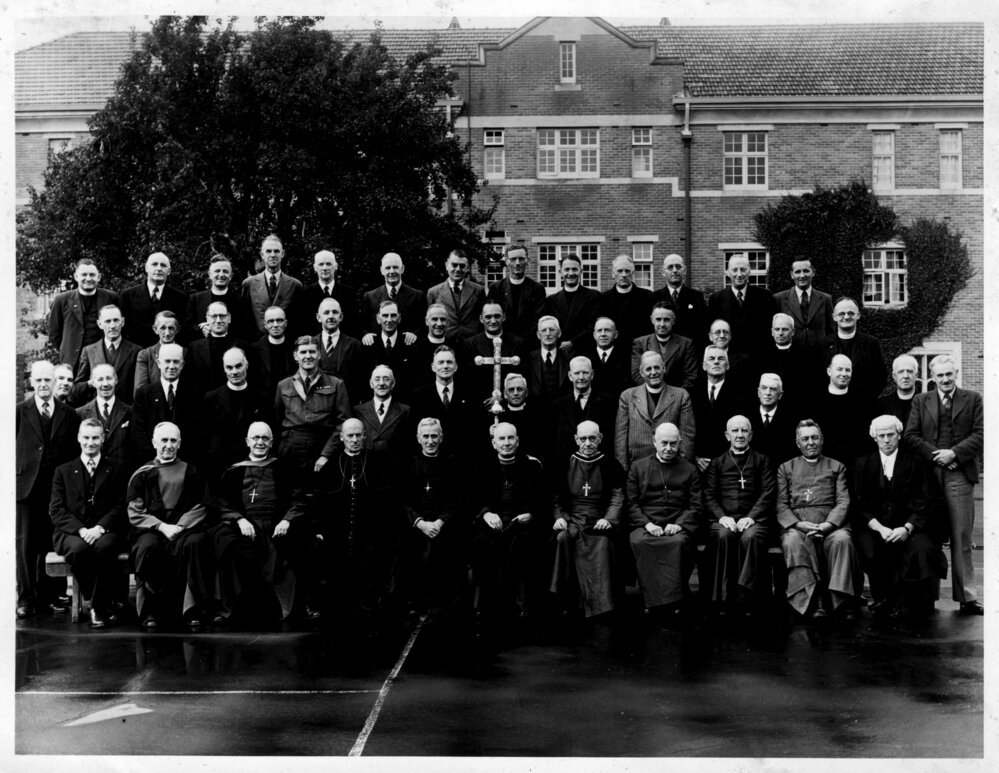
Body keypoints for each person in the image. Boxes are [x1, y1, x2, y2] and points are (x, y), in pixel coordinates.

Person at [904, 354, 984, 615]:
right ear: (932, 377)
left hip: (959, 475)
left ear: (956, 373)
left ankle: (967, 597)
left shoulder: (973, 399)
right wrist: (937, 454)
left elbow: (982, 434)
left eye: (949, 374)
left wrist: (955, 453)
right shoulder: (921, 400)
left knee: (961, 536)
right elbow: (911, 435)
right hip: (928, 476)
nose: (945, 379)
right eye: (939, 375)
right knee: (929, 535)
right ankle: (929, 596)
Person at [212, 422, 313, 626]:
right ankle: (235, 611)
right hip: (246, 526)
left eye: (265, 438)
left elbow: (298, 500)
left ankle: (289, 609)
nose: (260, 442)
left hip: (277, 524)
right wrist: (239, 519)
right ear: (247, 442)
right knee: (227, 547)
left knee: (295, 549)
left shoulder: (283, 468)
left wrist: (286, 520)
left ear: (272, 442)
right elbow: (222, 504)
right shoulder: (233, 472)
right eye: (256, 438)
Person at [855, 415, 946, 618]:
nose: (886, 440)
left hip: (908, 526)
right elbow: (859, 504)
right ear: (874, 437)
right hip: (876, 526)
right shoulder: (863, 464)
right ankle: (883, 598)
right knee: (869, 549)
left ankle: (913, 601)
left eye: (890, 435)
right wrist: (880, 528)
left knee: (922, 549)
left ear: (899, 435)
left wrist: (907, 528)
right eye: (881, 436)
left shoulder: (916, 462)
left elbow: (924, 499)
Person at [127, 421, 215, 631]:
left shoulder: (192, 472)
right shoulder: (141, 474)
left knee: (196, 543)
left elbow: (203, 504)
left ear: (180, 443)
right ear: (154, 442)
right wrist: (161, 526)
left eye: (173, 440)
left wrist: (181, 525)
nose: (168, 445)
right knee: (147, 548)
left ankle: (192, 610)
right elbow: (135, 511)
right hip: (153, 530)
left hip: (184, 529)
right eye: (163, 440)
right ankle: (150, 612)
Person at [308, 418, 395, 624]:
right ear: (342, 438)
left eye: (358, 435)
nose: (355, 440)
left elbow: (386, 500)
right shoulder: (330, 466)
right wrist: (319, 528)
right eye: (350, 436)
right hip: (337, 531)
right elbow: (319, 502)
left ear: (365, 436)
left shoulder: (378, 463)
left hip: (369, 532)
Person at [775, 420, 862, 620]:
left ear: (822, 440)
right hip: (798, 524)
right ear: (798, 443)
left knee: (842, 540)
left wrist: (827, 525)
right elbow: (780, 503)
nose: (811, 442)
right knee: (793, 541)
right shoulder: (786, 468)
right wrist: (799, 525)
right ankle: (811, 601)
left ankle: (839, 601)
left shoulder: (836, 466)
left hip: (830, 523)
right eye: (805, 439)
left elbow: (843, 501)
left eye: (815, 437)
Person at [49, 419, 129, 628]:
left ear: (102, 439)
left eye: (95, 438)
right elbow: (56, 510)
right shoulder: (63, 471)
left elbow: (120, 506)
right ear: (78, 438)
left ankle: (95, 606)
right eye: (86, 437)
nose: (90, 442)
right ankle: (100, 604)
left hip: (105, 530)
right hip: (72, 532)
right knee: (79, 550)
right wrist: (82, 530)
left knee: (106, 547)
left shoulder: (116, 468)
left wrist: (100, 528)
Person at [16, 361, 81, 618]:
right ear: (31, 382)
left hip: (55, 490)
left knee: (51, 542)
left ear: (55, 382)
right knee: (26, 546)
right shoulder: (19, 412)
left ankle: (49, 596)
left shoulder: (68, 414)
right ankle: (25, 598)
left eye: (48, 380)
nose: (43, 385)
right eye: (39, 380)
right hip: (27, 487)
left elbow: (73, 453)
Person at [469, 422, 549, 619]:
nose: (506, 443)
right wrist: (486, 513)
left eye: (510, 438)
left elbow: (542, 497)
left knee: (524, 544)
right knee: (480, 543)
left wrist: (531, 513)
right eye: (502, 439)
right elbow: (472, 498)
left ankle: (522, 604)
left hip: (521, 523)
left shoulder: (532, 465)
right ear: (494, 443)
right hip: (491, 523)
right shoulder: (481, 466)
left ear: (518, 441)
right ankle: (485, 605)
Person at [550, 420, 625, 618]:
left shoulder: (610, 463)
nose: (588, 443)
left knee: (602, 543)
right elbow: (556, 498)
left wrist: (608, 519)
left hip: (597, 520)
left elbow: (618, 496)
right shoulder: (565, 462)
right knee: (562, 539)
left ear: (600, 439)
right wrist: (559, 518)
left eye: (592, 438)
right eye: (583, 438)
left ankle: (601, 605)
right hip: (572, 518)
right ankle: (565, 602)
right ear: (576, 439)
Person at [626, 423, 703, 617]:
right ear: (654, 442)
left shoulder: (690, 469)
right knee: (640, 541)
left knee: (678, 543)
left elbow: (696, 505)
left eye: (673, 444)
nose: (669, 448)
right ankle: (652, 601)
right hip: (646, 524)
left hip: (677, 524)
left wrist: (679, 524)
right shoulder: (638, 467)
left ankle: (674, 601)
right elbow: (631, 503)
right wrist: (648, 524)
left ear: (680, 443)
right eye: (664, 443)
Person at [703, 415, 775, 615]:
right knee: (723, 536)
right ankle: (723, 599)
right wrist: (722, 517)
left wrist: (751, 517)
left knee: (751, 537)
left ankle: (747, 596)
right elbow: (708, 495)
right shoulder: (717, 463)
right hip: (723, 519)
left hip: (753, 520)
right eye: (735, 431)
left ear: (751, 435)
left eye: (744, 431)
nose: (740, 435)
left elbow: (768, 492)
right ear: (727, 435)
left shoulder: (762, 461)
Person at [399, 417, 468, 616]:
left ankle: (440, 605)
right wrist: (420, 523)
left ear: (441, 437)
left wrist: (439, 521)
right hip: (416, 525)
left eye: (434, 436)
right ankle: (414, 603)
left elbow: (458, 499)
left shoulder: (452, 464)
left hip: (444, 525)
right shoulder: (408, 465)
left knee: (439, 554)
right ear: (418, 438)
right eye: (426, 437)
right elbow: (403, 499)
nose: (430, 441)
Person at [274, 336, 352, 485]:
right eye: (303, 352)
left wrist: (326, 455)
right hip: (291, 451)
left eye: (312, 351)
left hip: (322, 447)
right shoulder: (283, 385)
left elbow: (343, 423)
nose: (308, 356)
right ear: (296, 356)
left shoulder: (335, 384)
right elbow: (277, 421)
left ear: (319, 354)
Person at [614, 350, 695, 470]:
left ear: (664, 368)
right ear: (641, 373)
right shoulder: (628, 396)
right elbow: (621, 437)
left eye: (657, 367)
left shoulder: (681, 396)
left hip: (671, 465)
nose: (653, 372)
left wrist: (682, 468)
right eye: (648, 369)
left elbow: (687, 436)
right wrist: (623, 469)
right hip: (637, 465)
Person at [201, 348, 273, 483]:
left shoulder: (260, 397)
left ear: (246, 365)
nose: (234, 372)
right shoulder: (211, 398)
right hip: (219, 465)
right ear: (224, 369)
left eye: (238, 366)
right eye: (229, 367)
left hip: (251, 465)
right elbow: (205, 434)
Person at [131, 343, 201, 463]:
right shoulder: (144, 394)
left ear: (182, 365)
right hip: (153, 464)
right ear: (159, 363)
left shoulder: (194, 393)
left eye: (176, 362)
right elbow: (138, 434)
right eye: (167, 361)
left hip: (184, 464)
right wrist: (157, 461)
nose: (171, 366)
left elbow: (197, 432)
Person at [47, 259, 119, 370]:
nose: (88, 278)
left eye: (92, 275)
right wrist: (68, 350)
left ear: (98, 277)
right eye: (84, 274)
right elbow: (54, 333)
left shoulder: (112, 298)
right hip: (73, 362)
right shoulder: (61, 300)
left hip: (104, 360)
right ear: (76, 276)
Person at [706, 253, 776, 360]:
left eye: (743, 269)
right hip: (729, 360)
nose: (739, 274)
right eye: (735, 270)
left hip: (758, 358)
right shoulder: (716, 299)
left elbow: (770, 331)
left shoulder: (764, 297)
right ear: (728, 272)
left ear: (749, 271)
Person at [549, 355, 616, 464]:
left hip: (600, 465)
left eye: (585, 372)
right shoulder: (557, 405)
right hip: (567, 466)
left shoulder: (608, 403)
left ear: (592, 375)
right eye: (576, 373)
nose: (581, 377)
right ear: (570, 376)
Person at [409, 345, 475, 455]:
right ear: (433, 367)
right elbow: (413, 430)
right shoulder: (420, 396)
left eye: (449, 362)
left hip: (462, 459)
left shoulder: (469, 394)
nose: (445, 366)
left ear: (456, 367)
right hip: (432, 460)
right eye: (441, 362)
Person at [757, 312, 827, 412]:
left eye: (785, 329)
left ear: (793, 332)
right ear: (772, 332)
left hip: (797, 408)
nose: (780, 333)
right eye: (777, 329)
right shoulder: (761, 357)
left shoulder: (806, 356)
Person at [459, 300, 526, 403]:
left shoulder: (518, 343)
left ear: (504, 317)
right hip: (480, 403)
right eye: (488, 317)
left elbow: (522, 376)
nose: (493, 321)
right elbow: (467, 378)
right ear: (481, 318)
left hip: (510, 403)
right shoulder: (470, 344)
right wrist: (487, 400)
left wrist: (503, 398)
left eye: (497, 316)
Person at [692, 346, 747, 470]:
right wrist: (695, 457)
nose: (716, 361)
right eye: (711, 359)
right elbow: (688, 428)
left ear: (727, 365)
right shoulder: (693, 392)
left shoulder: (739, 393)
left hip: (730, 463)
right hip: (699, 463)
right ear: (704, 366)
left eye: (720, 359)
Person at [824, 297, 888, 403]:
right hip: (828, 405)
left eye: (851, 313)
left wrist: (865, 400)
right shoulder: (823, 344)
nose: (846, 317)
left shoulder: (871, 344)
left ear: (858, 315)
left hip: (861, 407)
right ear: (834, 317)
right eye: (841, 314)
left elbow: (880, 377)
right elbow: (816, 377)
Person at [119, 252, 189, 349]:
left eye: (163, 265)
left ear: (169, 271)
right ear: (146, 268)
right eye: (154, 264)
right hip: (136, 353)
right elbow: (123, 329)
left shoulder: (181, 298)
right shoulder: (128, 296)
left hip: (169, 354)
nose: (159, 268)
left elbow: (184, 331)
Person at [815, 353, 873, 467]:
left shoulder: (862, 401)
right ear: (829, 371)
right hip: (823, 464)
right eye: (839, 369)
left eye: (848, 370)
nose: (844, 374)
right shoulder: (816, 400)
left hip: (855, 463)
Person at [241, 235, 304, 337]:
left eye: (276, 251)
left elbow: (299, 320)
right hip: (258, 345)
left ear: (283, 254)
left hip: (286, 345)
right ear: (262, 254)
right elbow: (244, 319)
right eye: (268, 251)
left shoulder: (295, 285)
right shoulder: (249, 284)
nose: (273, 255)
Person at [75, 304, 142, 400]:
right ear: (99, 324)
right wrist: (91, 383)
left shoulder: (136, 351)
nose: (112, 326)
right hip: (98, 410)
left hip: (126, 410)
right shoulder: (89, 351)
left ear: (123, 322)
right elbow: (76, 388)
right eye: (107, 321)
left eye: (116, 320)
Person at [487, 244, 547, 346]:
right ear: (507, 261)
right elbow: (491, 317)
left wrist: (521, 341)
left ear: (527, 260)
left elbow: (538, 319)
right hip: (502, 343)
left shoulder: (538, 289)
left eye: (521, 259)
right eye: (513, 259)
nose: (518, 263)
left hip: (529, 344)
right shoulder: (495, 288)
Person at [76, 364, 134, 466]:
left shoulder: (130, 412)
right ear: (93, 383)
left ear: (116, 380)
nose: (105, 384)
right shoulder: (80, 413)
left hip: (121, 474)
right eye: (100, 379)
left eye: (109, 378)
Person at [629, 303, 697, 390]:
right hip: (648, 395)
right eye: (658, 319)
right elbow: (637, 373)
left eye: (667, 320)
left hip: (677, 397)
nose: (662, 324)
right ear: (652, 320)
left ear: (673, 321)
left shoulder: (686, 344)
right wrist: (653, 391)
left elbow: (691, 376)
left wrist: (676, 396)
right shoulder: (640, 343)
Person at [185, 301, 251, 392]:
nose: (218, 320)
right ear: (207, 319)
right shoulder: (194, 348)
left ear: (229, 318)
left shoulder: (244, 347)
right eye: (214, 316)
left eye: (222, 316)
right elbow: (187, 382)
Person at [542, 252, 601, 353]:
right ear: (560, 272)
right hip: (559, 352)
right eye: (567, 269)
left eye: (574, 269)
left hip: (586, 351)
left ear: (581, 271)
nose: (571, 273)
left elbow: (593, 327)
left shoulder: (594, 296)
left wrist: (573, 342)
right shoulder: (551, 300)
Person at [360, 300, 418, 401]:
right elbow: (363, 378)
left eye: (393, 315)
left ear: (399, 319)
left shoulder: (409, 343)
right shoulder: (369, 344)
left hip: (404, 402)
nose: (389, 320)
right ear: (378, 319)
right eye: (385, 315)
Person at [352, 365, 413, 461]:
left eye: (386, 379)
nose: (381, 383)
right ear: (371, 384)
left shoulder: (405, 411)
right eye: (377, 379)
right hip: (366, 466)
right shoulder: (358, 411)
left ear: (393, 384)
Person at [772, 258, 835, 350]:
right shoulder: (779, 299)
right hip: (789, 356)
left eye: (806, 271)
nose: (802, 275)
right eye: (797, 272)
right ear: (791, 275)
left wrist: (826, 347)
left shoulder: (825, 299)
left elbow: (831, 330)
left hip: (819, 356)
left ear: (813, 272)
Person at [649, 253, 708, 349]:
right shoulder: (653, 298)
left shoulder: (696, 297)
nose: (675, 270)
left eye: (678, 267)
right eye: (670, 267)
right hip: (662, 351)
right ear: (663, 272)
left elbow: (703, 329)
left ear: (684, 271)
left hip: (689, 351)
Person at [361, 252, 427, 336]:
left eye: (395, 267)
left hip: (408, 346)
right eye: (388, 268)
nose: (392, 271)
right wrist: (367, 335)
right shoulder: (370, 297)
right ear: (382, 270)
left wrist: (414, 335)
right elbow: (363, 327)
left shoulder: (417, 296)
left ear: (402, 269)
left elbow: (423, 326)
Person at [426, 249, 486, 339]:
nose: (458, 269)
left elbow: (483, 318)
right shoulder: (433, 292)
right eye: (454, 265)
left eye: (462, 266)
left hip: (471, 343)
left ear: (467, 268)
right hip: (445, 342)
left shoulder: (478, 290)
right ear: (447, 266)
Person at [301, 248, 361, 338]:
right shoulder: (305, 295)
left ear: (336, 266)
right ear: (315, 268)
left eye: (328, 264)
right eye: (321, 264)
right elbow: (304, 326)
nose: (325, 268)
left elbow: (354, 325)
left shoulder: (349, 293)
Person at [183, 255, 243, 343]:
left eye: (225, 271)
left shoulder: (240, 301)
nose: (221, 275)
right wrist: (201, 328)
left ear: (231, 276)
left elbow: (245, 329)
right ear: (210, 275)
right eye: (217, 271)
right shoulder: (195, 299)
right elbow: (187, 326)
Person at [314, 296, 365, 402]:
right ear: (318, 317)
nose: (331, 316)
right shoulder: (311, 344)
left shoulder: (355, 345)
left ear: (341, 316)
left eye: (335, 312)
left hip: (347, 404)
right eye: (326, 312)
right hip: (317, 405)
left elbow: (361, 380)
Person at [596, 254, 654, 345]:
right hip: (613, 350)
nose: (624, 275)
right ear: (613, 273)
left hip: (638, 349)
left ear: (633, 273)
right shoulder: (603, 299)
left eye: (627, 271)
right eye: (620, 271)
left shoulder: (647, 297)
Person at [748, 373, 800, 466]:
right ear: (758, 393)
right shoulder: (747, 418)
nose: (767, 393)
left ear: (780, 395)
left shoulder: (792, 421)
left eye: (773, 389)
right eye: (764, 388)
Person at [409, 303, 458, 390]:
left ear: (448, 322)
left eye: (442, 319)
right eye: (434, 319)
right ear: (427, 321)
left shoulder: (457, 347)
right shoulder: (415, 349)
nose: (439, 324)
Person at [251, 306, 297, 398]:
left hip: (291, 400)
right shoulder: (254, 349)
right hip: (265, 402)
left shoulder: (294, 347)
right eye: (271, 321)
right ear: (265, 325)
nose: (275, 325)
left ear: (285, 323)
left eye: (279, 320)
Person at [526, 315, 571, 408]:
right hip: (536, 411)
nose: (547, 333)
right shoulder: (528, 359)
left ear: (559, 333)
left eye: (551, 330)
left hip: (562, 411)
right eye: (543, 330)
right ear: (538, 335)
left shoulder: (569, 359)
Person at [134, 311, 184, 394]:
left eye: (171, 328)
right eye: (162, 328)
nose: (167, 333)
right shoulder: (145, 355)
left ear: (177, 329)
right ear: (155, 329)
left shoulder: (186, 353)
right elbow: (140, 390)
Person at [585, 316, 632, 397]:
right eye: (599, 331)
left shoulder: (626, 357)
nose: (603, 334)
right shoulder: (585, 357)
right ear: (594, 335)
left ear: (616, 334)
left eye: (607, 330)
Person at [877, 354, 919, 431]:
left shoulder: (926, 403)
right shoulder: (881, 405)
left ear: (916, 375)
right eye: (901, 372)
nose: (905, 376)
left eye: (909, 371)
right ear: (894, 376)